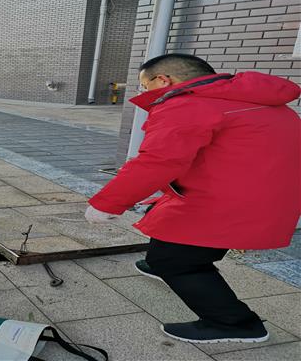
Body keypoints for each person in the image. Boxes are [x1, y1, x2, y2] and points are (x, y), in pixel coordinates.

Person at [85, 53, 300, 343]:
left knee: (177, 261)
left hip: (228, 200)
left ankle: (235, 324)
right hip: (264, 194)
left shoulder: (188, 104)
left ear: (164, 80)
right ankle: (161, 263)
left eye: (145, 85)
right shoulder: (261, 102)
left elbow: (158, 161)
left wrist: (106, 203)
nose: (144, 92)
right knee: (165, 220)